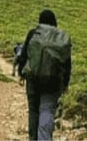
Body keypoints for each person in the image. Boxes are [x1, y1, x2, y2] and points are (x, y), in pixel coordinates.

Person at [17, 9, 72, 140]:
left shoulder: (34, 33)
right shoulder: (61, 38)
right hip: (53, 82)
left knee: (34, 111)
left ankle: (33, 139)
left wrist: (21, 73)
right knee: (46, 112)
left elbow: (24, 55)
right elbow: (67, 63)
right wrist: (65, 84)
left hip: (33, 79)